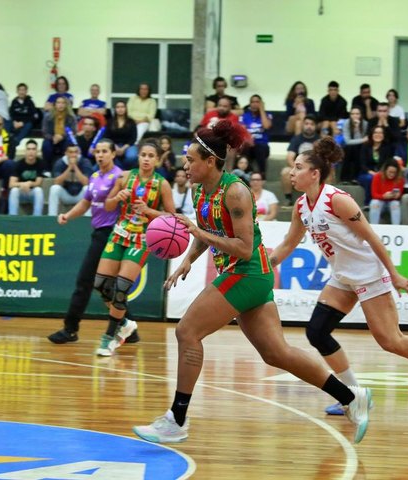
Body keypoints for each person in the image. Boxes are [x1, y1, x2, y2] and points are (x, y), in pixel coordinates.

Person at [133, 121, 371, 445]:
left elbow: (243, 247)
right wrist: (189, 257)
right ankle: (350, 396)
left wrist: (200, 234)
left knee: (187, 331)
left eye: (191, 159)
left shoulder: (236, 191)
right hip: (238, 273)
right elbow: (207, 231)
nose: (185, 165)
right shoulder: (198, 189)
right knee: (277, 353)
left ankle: (177, 418)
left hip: (248, 273)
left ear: (211, 161)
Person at [266, 136, 408, 419]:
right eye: (293, 167)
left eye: (298, 167)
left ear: (314, 174)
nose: (291, 172)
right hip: (343, 277)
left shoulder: (337, 200)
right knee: (317, 332)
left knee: (390, 341)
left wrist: (394, 274)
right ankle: (353, 395)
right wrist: (264, 264)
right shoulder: (301, 206)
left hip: (368, 275)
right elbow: (288, 244)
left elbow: (372, 237)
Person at [96, 140, 175, 356]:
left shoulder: (162, 184)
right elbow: (108, 205)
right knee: (101, 284)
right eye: (143, 155)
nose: (147, 159)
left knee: (121, 287)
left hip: (141, 238)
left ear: (157, 160)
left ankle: (109, 338)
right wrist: (117, 197)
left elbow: (172, 216)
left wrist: (150, 211)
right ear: (138, 157)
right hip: (119, 234)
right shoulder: (125, 177)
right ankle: (125, 324)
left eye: (151, 156)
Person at [47, 139, 131, 344]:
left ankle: (70, 329)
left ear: (113, 154)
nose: (100, 155)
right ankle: (127, 325)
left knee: (85, 281)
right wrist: (68, 215)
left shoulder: (120, 176)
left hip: (110, 233)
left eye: (105, 151)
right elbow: (86, 203)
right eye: (97, 152)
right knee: (105, 285)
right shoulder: (94, 177)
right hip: (98, 232)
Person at [281, 114, 320, 206]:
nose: (309, 126)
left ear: (315, 126)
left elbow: (322, 159)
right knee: (285, 172)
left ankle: (319, 199)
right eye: (306, 124)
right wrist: (298, 169)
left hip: (313, 169)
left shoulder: (319, 140)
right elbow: (290, 157)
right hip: (298, 167)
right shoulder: (296, 139)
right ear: (303, 125)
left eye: (312, 124)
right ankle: (288, 198)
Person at [47, 144, 94, 216]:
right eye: (71, 152)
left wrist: (75, 167)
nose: (73, 155)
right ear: (66, 153)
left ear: (78, 153)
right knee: (54, 188)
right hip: (66, 195)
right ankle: (52, 216)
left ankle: (88, 218)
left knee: (87, 188)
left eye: (75, 152)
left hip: (80, 197)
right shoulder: (60, 163)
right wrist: (69, 167)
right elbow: (56, 182)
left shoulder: (84, 162)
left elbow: (86, 182)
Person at [357, 126, 395, 205]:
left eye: (380, 133)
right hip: (366, 173)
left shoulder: (387, 147)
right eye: (375, 132)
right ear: (371, 134)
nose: (378, 135)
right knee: (370, 178)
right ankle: (368, 203)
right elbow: (362, 164)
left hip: (382, 172)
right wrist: (371, 172)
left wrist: (380, 172)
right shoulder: (365, 146)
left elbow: (387, 163)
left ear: (384, 135)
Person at [8, 140, 46, 216]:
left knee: (38, 190)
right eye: (28, 149)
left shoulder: (41, 163)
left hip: (32, 193)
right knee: (14, 191)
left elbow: (38, 183)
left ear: (37, 151)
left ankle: (36, 218)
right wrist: (23, 184)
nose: (31, 152)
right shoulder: (18, 164)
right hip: (21, 192)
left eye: (33, 149)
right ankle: (12, 217)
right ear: (25, 151)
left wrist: (30, 183)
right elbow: (11, 184)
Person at [239, 94, 272, 176]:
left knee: (259, 148)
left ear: (261, 104)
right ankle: (244, 176)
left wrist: (262, 110)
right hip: (248, 144)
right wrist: (249, 139)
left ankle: (262, 175)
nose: (255, 104)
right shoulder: (244, 116)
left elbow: (266, 126)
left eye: (257, 102)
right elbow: (242, 131)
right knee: (245, 147)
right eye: (252, 102)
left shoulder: (267, 115)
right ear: (250, 104)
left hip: (262, 145)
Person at [41, 96, 77, 166]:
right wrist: (53, 138)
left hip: (65, 139)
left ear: (66, 105)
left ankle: (66, 166)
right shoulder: (48, 117)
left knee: (69, 142)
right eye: (58, 103)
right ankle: (47, 168)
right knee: (46, 145)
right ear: (55, 105)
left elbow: (73, 131)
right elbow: (45, 132)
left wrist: (62, 136)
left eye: (63, 103)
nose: (60, 105)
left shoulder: (71, 117)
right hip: (52, 139)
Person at [339, 107, 368, 183]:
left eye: (357, 114)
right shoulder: (346, 123)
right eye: (352, 114)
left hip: (361, 147)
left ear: (361, 115)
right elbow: (347, 141)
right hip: (348, 146)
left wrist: (357, 128)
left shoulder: (365, 124)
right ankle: (344, 178)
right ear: (350, 115)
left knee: (358, 150)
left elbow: (364, 141)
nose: (355, 116)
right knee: (350, 149)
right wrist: (362, 139)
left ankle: (355, 178)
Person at [108, 101, 139, 169]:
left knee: (132, 157)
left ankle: (125, 170)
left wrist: (123, 148)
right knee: (110, 156)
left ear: (126, 109)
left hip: (128, 145)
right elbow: (107, 136)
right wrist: (115, 146)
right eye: (118, 107)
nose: (120, 109)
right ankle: (120, 171)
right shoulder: (110, 121)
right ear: (115, 109)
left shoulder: (131, 122)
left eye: (122, 107)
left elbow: (133, 137)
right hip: (114, 144)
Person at [9, 83, 41, 148]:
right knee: (6, 123)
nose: (21, 92)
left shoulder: (30, 102)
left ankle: (16, 141)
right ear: (17, 91)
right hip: (15, 123)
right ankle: (6, 141)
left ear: (26, 91)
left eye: (23, 90)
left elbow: (34, 116)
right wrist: (14, 122)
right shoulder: (14, 102)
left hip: (26, 123)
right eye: (20, 90)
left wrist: (22, 123)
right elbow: (11, 114)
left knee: (29, 124)